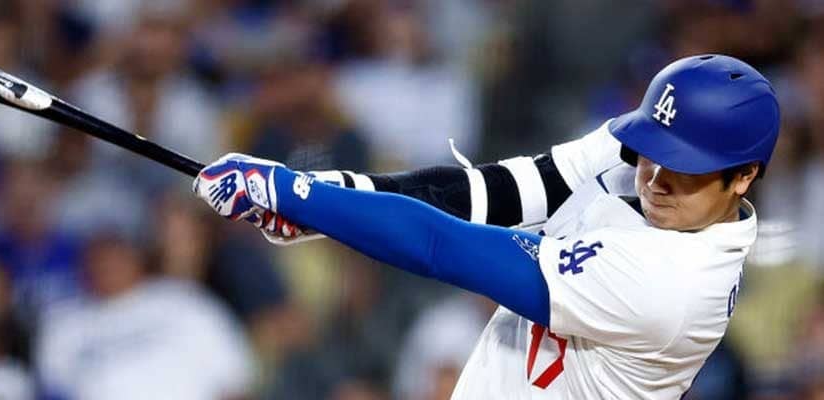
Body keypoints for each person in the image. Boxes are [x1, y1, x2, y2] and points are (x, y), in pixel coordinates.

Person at [194, 54, 780, 399]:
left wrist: (294, 193)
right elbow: (496, 192)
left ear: (744, 176)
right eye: (653, 151)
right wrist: (330, 198)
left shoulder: (672, 287)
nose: (654, 177)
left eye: (684, 167)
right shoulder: (651, 154)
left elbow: (443, 245)